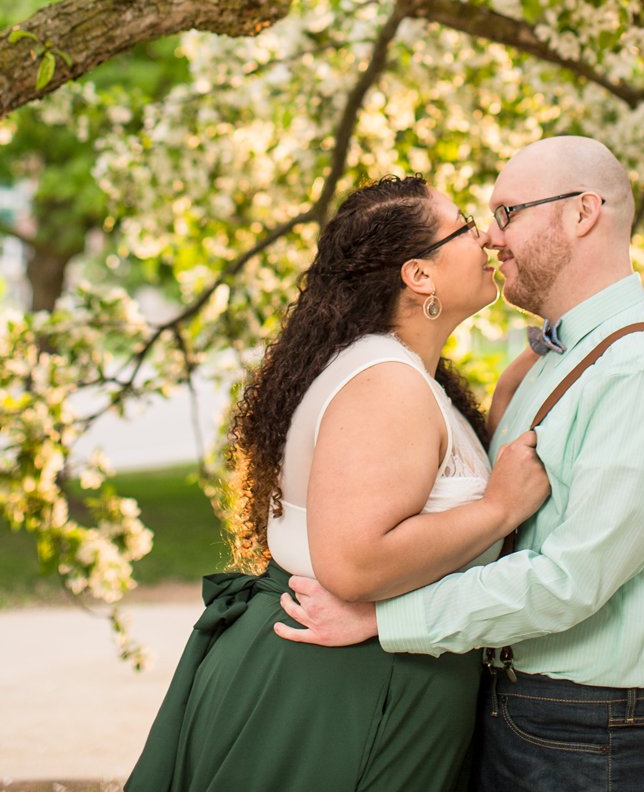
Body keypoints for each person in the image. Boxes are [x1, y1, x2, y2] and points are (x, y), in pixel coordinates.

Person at [277, 136, 644, 792]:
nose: (489, 237)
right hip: (531, 715)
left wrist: (385, 621)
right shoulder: (550, 363)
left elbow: (569, 580)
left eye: (507, 213)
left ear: (582, 213)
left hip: (601, 737)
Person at [125, 175, 549, 792]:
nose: (485, 235)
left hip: (357, 682)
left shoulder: (395, 371)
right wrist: (499, 509)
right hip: (338, 693)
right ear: (418, 275)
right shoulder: (387, 382)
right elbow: (353, 565)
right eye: (462, 225)